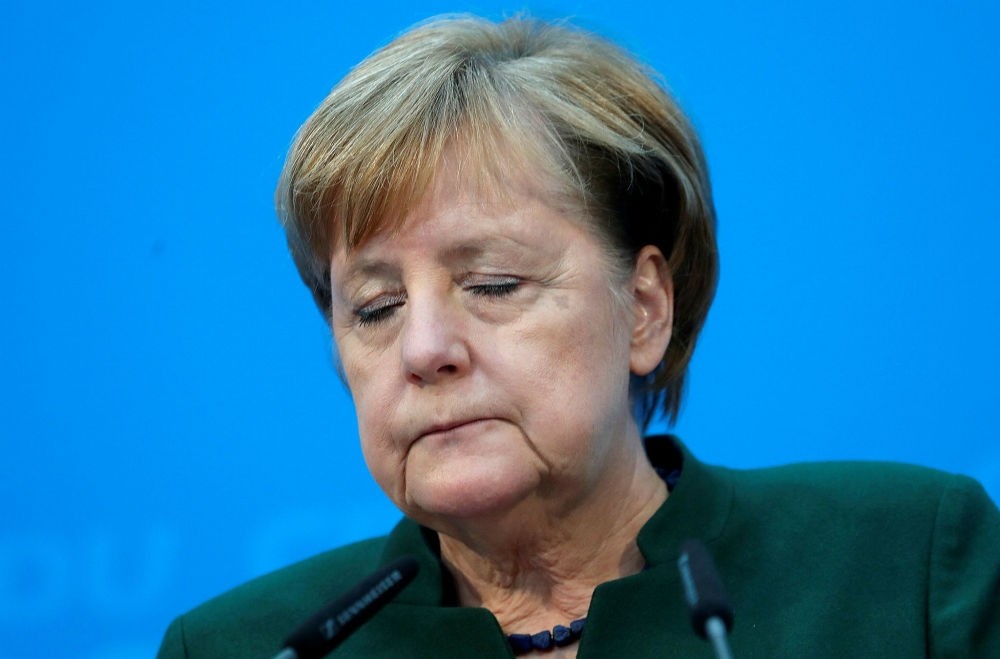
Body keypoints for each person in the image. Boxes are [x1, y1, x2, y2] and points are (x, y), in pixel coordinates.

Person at [156, 15, 1000, 658]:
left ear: (643, 310)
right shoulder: (245, 645)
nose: (423, 350)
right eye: (375, 308)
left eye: (492, 285)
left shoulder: (905, 560)